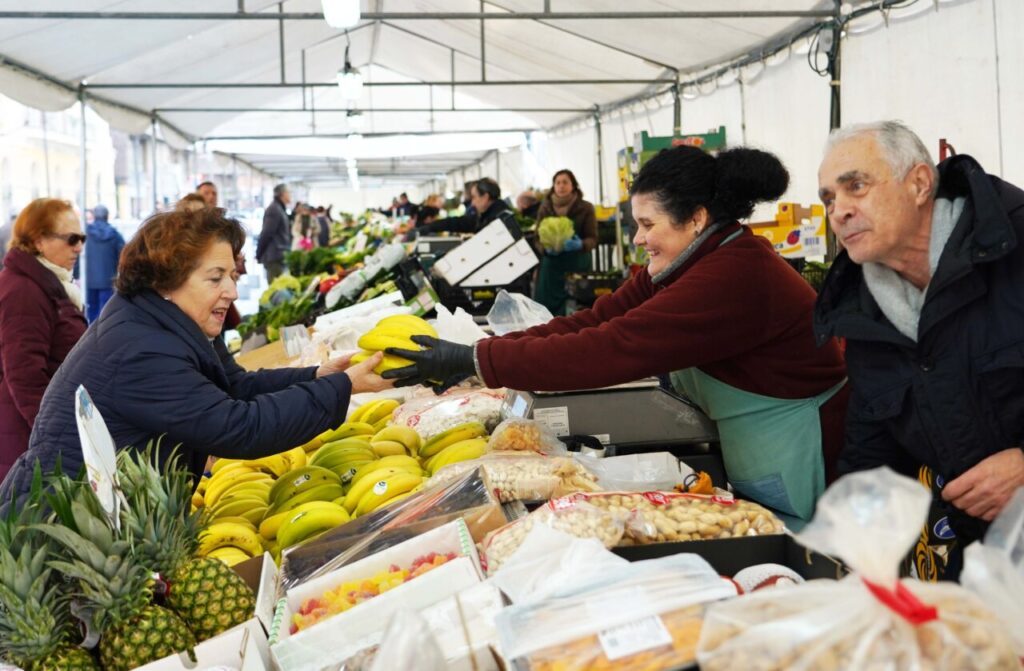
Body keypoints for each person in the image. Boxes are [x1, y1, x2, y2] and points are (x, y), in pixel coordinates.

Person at [384, 146, 849, 526]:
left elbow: (613, 346)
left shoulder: (733, 274)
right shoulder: (690, 260)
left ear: (696, 219)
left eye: (648, 225)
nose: (639, 238)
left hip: (791, 438)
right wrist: (481, 355)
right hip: (753, 432)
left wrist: (478, 361)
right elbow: (595, 320)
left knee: (794, 546)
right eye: (636, 225)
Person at [0, 207, 390, 509]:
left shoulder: (172, 320)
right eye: (216, 278)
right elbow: (239, 427)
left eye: (233, 277)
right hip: (63, 527)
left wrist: (319, 374)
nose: (233, 292)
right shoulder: (142, 350)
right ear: (167, 281)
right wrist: (345, 387)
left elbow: (233, 385)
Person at [814, 120, 1024, 577]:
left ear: (919, 184)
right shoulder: (865, 313)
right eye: (829, 198)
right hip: (986, 558)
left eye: (856, 186)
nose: (840, 211)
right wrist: (849, 564)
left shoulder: (1015, 246)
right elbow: (871, 456)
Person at [0, 199, 88, 482]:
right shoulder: (24, 290)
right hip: (25, 436)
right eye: (71, 239)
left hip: (38, 429)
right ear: (39, 241)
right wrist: (53, 438)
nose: (79, 247)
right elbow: (24, 375)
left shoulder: (49, 282)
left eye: (82, 238)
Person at [532, 170, 598, 315]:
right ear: (553, 186)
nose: (561, 186)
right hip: (551, 268)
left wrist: (581, 244)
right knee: (547, 310)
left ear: (573, 185)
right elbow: (536, 238)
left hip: (576, 265)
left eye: (565, 182)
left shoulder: (586, 207)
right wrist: (545, 249)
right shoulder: (545, 207)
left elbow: (592, 238)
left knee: (576, 310)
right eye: (558, 183)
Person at [413, 178, 516, 237]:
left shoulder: (498, 218)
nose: (472, 203)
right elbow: (459, 222)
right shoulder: (489, 214)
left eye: (474, 197)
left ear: (485, 197)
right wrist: (431, 227)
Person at [84, 204, 126, 322]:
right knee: (105, 311)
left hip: (89, 279)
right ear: (107, 216)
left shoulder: (86, 234)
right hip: (108, 279)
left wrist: (77, 274)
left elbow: (79, 254)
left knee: (91, 309)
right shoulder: (115, 235)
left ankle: (91, 333)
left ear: (94, 216)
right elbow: (123, 254)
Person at [257, 183, 292, 281]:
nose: (290, 195)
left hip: (279, 256)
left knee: (280, 287)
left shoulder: (279, 208)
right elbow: (267, 233)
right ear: (282, 194)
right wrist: (259, 253)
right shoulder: (274, 209)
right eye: (288, 193)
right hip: (274, 257)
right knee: (276, 290)